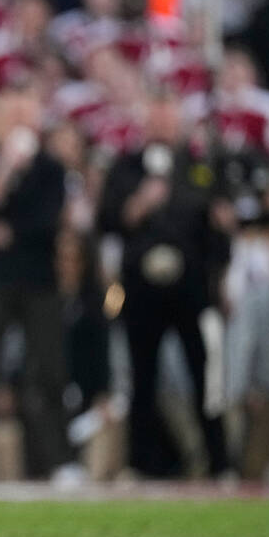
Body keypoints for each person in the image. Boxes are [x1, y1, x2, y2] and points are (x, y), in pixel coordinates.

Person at [98, 92, 233, 478]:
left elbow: (220, 226)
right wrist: (138, 204)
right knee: (141, 378)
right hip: (139, 288)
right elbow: (105, 220)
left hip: (192, 286)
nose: (161, 125)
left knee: (205, 376)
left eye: (167, 116)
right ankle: (141, 463)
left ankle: (219, 461)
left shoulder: (200, 165)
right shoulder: (125, 167)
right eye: (154, 117)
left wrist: (220, 278)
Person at [0, 88, 72, 482]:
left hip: (41, 282)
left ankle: (60, 461)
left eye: (26, 115)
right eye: (12, 115)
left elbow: (48, 223)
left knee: (49, 372)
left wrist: (3, 227)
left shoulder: (52, 169)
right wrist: (5, 169)